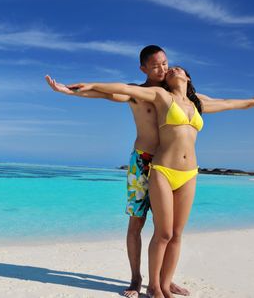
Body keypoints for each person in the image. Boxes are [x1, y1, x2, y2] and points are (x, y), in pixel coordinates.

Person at [67, 66, 254, 298]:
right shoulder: (161, 96)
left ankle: (165, 284)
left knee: (176, 234)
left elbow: (227, 103)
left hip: (190, 173)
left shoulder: (198, 103)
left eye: (177, 68)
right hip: (163, 169)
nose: (171, 69)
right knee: (163, 233)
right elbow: (122, 89)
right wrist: (91, 85)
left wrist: (252, 101)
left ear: (188, 77)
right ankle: (153, 286)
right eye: (168, 68)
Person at [46, 45, 206, 297]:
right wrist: (71, 91)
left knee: (169, 230)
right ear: (144, 69)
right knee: (137, 222)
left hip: (171, 163)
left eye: (165, 63)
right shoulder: (140, 93)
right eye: (155, 66)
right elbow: (107, 93)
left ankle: (165, 281)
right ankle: (136, 278)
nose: (162, 69)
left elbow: (213, 103)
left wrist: (249, 102)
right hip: (143, 162)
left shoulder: (177, 93)